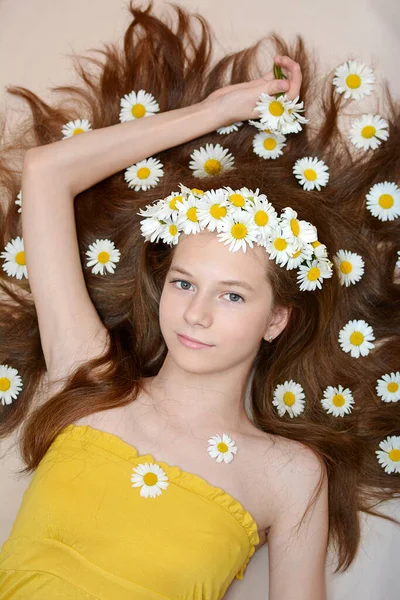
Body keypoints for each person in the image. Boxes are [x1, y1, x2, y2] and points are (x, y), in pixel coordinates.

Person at [0, 1, 399, 598]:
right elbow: (47, 173)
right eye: (185, 283)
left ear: (277, 319)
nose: (196, 313)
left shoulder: (290, 476)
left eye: (233, 295)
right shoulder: (85, 374)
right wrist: (215, 112)